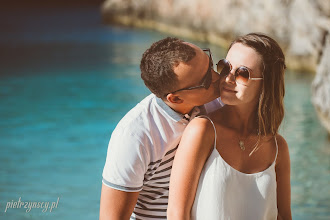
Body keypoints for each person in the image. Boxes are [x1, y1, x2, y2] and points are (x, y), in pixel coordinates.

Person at [167, 33, 292, 220]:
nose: (228, 78)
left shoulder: (277, 147)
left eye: (242, 73)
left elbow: (284, 216)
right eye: (225, 67)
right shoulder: (202, 130)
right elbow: (177, 214)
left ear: (266, 83)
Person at [99, 37, 224, 219]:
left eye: (211, 64)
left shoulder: (219, 101)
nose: (217, 77)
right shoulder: (136, 136)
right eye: (205, 80)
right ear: (175, 99)